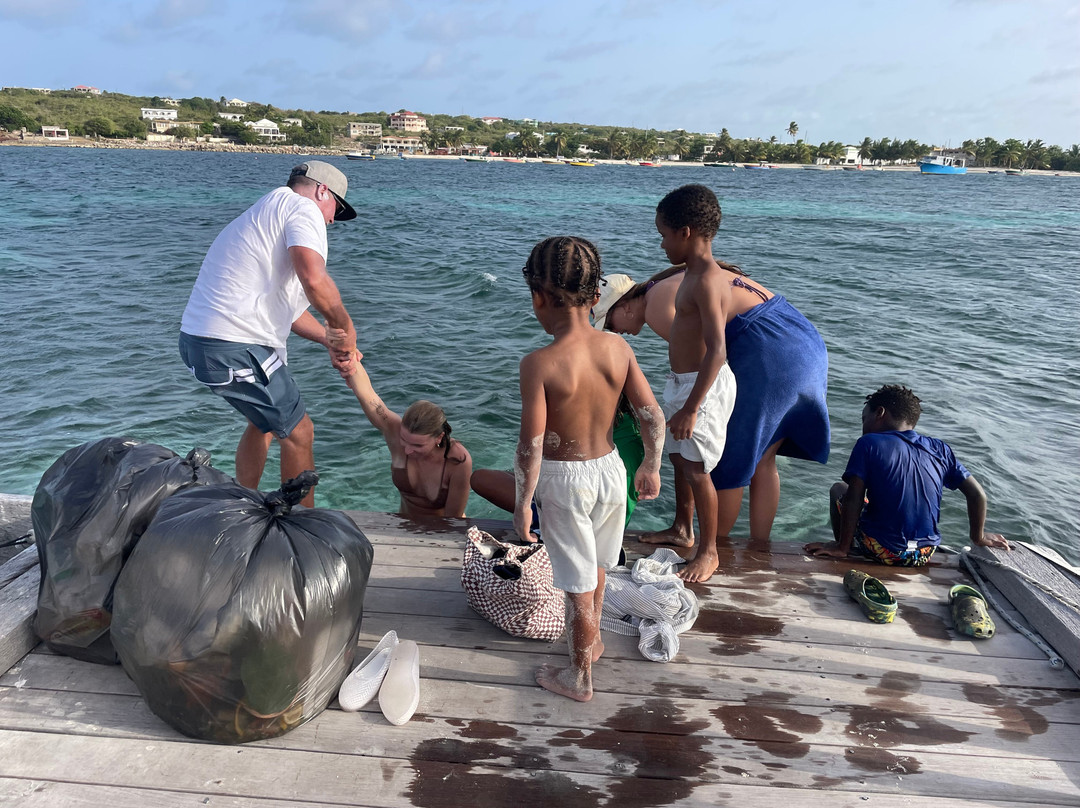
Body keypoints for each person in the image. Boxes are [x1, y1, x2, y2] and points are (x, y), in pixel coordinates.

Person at [597, 185, 830, 564]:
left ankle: (712, 549)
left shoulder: (659, 300)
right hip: (796, 338)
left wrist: (692, 406)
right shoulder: (685, 275)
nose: (615, 331)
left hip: (771, 351)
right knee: (759, 455)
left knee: (725, 458)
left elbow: (706, 354)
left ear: (625, 302)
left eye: (610, 321)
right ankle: (752, 547)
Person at [515, 236, 664, 702]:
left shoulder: (539, 364)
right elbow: (651, 415)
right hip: (611, 471)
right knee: (599, 564)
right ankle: (593, 641)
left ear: (538, 297)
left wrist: (523, 503)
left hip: (565, 482)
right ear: (597, 297)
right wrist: (653, 466)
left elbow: (531, 445)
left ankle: (579, 677)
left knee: (577, 582)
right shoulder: (617, 349)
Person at [179, 161, 358, 507]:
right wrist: (345, 328)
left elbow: (289, 313)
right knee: (299, 432)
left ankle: (242, 505)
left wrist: (327, 338)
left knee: (262, 423)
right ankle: (304, 532)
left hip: (203, 341)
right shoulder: (303, 208)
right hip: (233, 343)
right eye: (336, 207)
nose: (333, 219)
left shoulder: (266, 212)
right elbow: (314, 278)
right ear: (322, 190)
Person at [804, 385, 1009, 565]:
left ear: (880, 413)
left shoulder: (869, 444)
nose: (863, 426)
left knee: (840, 489)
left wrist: (841, 546)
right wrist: (978, 537)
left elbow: (854, 498)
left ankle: (845, 549)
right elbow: (977, 495)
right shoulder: (940, 449)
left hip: (884, 551)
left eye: (864, 418)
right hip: (924, 553)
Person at [470, 395, 646, 532]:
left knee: (481, 478)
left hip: (574, 522)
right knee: (518, 476)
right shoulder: (631, 429)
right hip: (614, 523)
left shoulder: (581, 427)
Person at [334, 351, 472, 518]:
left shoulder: (457, 460)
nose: (407, 450)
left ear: (439, 437)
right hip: (404, 528)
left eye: (418, 445)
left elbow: (453, 520)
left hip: (442, 531)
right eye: (404, 441)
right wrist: (347, 357)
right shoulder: (395, 432)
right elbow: (369, 396)